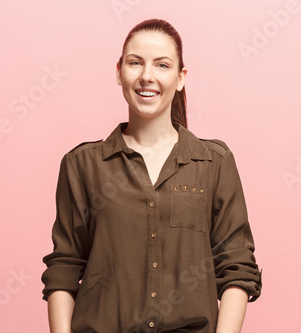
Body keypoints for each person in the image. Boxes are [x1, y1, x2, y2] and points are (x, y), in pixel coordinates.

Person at [41, 18, 262, 333]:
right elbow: (64, 266)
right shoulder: (82, 165)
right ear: (119, 72)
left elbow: (236, 265)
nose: (147, 76)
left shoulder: (214, 163)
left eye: (162, 65)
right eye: (135, 63)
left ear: (180, 77)